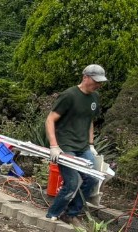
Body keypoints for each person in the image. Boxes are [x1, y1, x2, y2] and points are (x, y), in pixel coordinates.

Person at [45, 64, 107, 223]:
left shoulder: (95, 97)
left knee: (92, 179)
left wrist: (91, 144)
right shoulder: (69, 95)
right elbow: (50, 119)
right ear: (85, 77)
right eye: (95, 81)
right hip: (65, 146)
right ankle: (52, 214)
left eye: (100, 82)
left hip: (83, 146)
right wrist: (54, 146)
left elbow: (89, 120)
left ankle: (70, 214)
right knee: (72, 182)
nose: (98, 85)